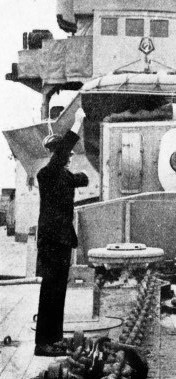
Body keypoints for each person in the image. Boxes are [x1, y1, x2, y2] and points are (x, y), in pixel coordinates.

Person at [34, 108, 89, 356]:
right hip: (52, 241)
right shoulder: (47, 173)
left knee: (58, 292)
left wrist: (80, 176)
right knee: (51, 291)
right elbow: (65, 155)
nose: (69, 155)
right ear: (59, 154)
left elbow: (82, 179)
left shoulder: (63, 176)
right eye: (65, 152)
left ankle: (54, 339)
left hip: (62, 240)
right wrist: (77, 122)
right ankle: (43, 343)